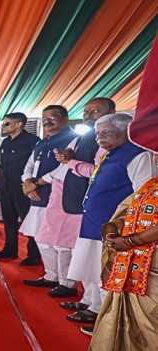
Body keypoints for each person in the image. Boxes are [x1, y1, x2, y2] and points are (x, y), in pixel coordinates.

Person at [65, 113, 157, 329]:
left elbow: (145, 197)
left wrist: (130, 232)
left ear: (127, 131)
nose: (99, 139)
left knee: (109, 275)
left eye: (105, 133)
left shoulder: (138, 156)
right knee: (92, 270)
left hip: (116, 228)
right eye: (97, 134)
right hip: (95, 222)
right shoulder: (110, 154)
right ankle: (94, 308)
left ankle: (110, 326)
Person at [82, 176, 158, 351]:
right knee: (135, 315)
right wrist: (112, 231)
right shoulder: (151, 184)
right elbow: (126, 212)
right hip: (133, 262)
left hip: (151, 263)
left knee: (153, 318)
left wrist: (132, 241)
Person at [54, 98, 115, 315]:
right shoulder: (85, 137)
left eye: (95, 111)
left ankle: (98, 308)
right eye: (86, 111)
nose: (88, 115)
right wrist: (68, 157)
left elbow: (97, 172)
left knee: (96, 258)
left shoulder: (115, 144)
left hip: (99, 208)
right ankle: (88, 300)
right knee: (86, 256)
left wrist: (71, 163)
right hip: (83, 203)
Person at [20, 105, 77, 292]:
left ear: (65, 119)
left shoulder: (74, 139)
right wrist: (27, 183)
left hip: (58, 198)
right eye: (44, 117)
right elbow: (29, 165)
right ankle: (51, 276)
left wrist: (36, 183)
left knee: (61, 242)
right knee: (42, 239)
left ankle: (67, 283)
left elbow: (65, 168)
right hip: (36, 197)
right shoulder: (42, 142)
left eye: (52, 117)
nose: (47, 121)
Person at [0, 113, 41, 262]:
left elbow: (36, 165)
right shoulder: (5, 142)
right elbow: (1, 164)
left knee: (28, 220)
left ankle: (34, 255)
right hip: (6, 187)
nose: (3, 127)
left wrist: (32, 185)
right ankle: (10, 250)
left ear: (19, 124)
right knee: (9, 221)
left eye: (7, 124)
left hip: (23, 187)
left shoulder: (33, 141)